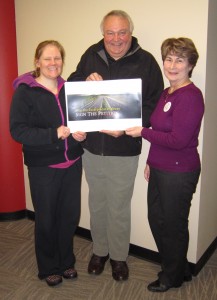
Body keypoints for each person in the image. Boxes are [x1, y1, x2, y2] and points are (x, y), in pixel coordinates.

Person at [68, 10, 164, 281]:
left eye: (122, 32)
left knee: (119, 205)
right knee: (97, 203)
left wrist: (128, 127)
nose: (116, 38)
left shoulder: (146, 62)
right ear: (103, 34)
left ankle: (119, 257)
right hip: (92, 147)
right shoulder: (91, 54)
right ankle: (100, 251)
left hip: (124, 150)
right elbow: (73, 84)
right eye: (110, 32)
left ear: (130, 33)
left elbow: (153, 104)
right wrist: (84, 81)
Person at [126, 37, 205, 292]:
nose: (172, 65)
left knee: (173, 225)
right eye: (168, 59)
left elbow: (178, 139)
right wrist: (151, 160)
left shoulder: (190, 96)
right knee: (157, 219)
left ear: (190, 64)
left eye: (179, 60)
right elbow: (159, 129)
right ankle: (179, 267)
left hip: (180, 171)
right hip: (160, 167)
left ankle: (171, 277)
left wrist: (142, 133)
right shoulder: (166, 92)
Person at [10, 40, 86, 287]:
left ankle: (66, 261)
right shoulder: (25, 91)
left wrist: (79, 134)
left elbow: (77, 120)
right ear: (37, 62)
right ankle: (48, 267)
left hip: (72, 162)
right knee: (46, 218)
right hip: (44, 167)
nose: (53, 63)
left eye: (57, 58)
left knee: (68, 217)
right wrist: (54, 134)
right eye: (47, 59)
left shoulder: (69, 88)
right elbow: (18, 131)